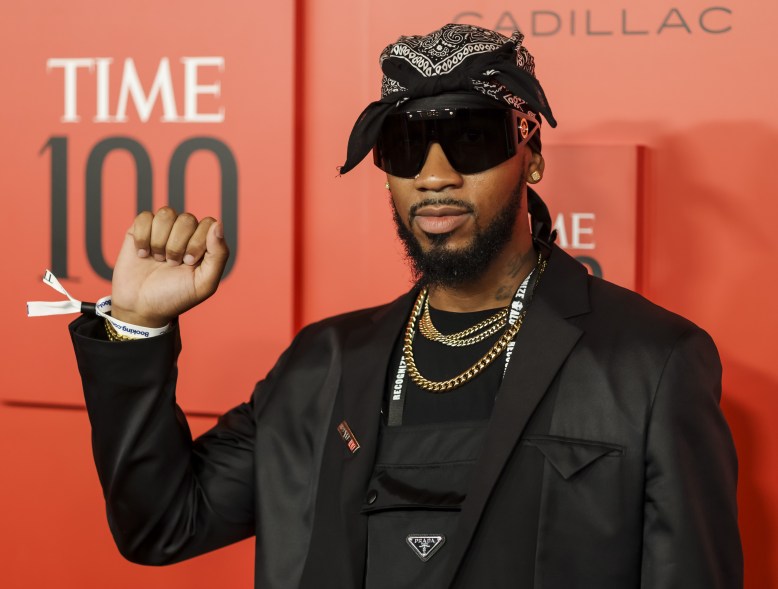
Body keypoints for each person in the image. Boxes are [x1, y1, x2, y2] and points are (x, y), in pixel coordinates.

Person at [69, 23, 742, 588]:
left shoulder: (651, 365)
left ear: (531, 154)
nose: (435, 174)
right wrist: (138, 324)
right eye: (405, 146)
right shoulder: (319, 365)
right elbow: (162, 525)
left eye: (473, 138)